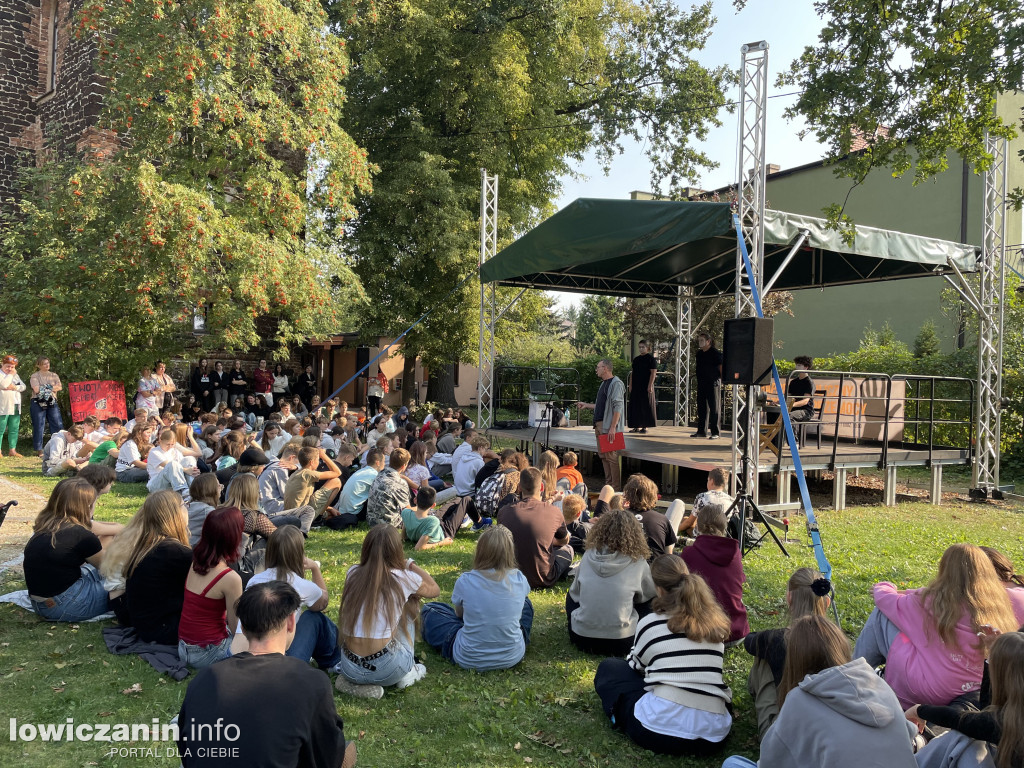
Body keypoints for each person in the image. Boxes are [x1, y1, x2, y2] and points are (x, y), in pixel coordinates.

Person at [177, 581, 355, 768]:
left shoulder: (204, 679)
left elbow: (185, 747)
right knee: (347, 752)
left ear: (243, 628)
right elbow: (328, 757)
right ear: (291, 622)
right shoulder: (313, 683)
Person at [723, 616, 918, 768]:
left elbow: (771, 761)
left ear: (795, 661)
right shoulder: (878, 684)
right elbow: (908, 736)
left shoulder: (799, 699)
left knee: (732, 763)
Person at [853, 542, 1020, 709]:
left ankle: (854, 674)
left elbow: (885, 599)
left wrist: (885, 585)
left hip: (930, 690)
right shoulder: (1000, 604)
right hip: (979, 688)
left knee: (882, 614)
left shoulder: (929, 601)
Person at [594, 555, 732, 756]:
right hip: (713, 736)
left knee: (610, 669)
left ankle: (621, 714)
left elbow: (635, 667)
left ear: (658, 589)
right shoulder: (714, 627)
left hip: (658, 731)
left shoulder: (651, 622)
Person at [335, 525, 441, 697]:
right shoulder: (404, 578)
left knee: (400, 602)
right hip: (387, 667)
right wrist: (410, 564)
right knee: (410, 603)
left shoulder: (352, 573)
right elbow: (434, 589)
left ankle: (353, 683)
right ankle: (409, 672)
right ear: (396, 550)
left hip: (349, 666)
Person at [421, 525, 533, 671]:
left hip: (468, 657)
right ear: (510, 552)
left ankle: (478, 631)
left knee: (431, 609)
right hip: (512, 656)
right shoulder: (519, 578)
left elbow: (459, 615)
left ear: (480, 551)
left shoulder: (466, 580)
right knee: (527, 604)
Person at [229, 526, 341, 671]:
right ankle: (334, 661)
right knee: (314, 617)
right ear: (299, 554)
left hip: (238, 655)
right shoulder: (302, 585)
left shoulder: (254, 580)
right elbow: (322, 603)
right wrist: (315, 568)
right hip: (278, 662)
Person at [908, 631, 1024, 768]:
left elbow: (958, 719)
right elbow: (986, 711)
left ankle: (908, 759)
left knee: (962, 739)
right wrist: (992, 655)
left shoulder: (1000, 722)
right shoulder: (1009, 718)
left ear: (1001, 677)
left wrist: (918, 710)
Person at [743, 567, 832, 736]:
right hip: (827, 726)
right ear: (826, 602)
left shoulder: (775, 640)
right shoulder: (836, 642)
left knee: (763, 657)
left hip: (783, 733)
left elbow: (750, 641)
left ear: (789, 598)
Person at [23, 478, 121, 621]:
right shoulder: (80, 534)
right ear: (88, 506)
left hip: (41, 603)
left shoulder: (45, 526)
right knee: (127, 580)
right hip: (66, 604)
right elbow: (108, 568)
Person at [101, 490, 192, 645]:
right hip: (161, 628)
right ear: (174, 513)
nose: (187, 509)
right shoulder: (173, 551)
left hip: (143, 621)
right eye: (184, 505)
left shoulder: (148, 544)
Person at [566, 508, 655, 656]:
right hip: (624, 640)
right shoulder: (637, 562)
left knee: (572, 593)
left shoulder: (588, 556)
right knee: (651, 600)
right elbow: (648, 595)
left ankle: (586, 621)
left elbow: (575, 595)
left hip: (581, 638)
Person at [178, 506, 245, 668]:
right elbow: (236, 627)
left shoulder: (196, 561)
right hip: (208, 651)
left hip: (184, 647)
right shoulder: (230, 578)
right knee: (260, 642)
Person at [680, 502, 749, 645]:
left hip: (703, 633)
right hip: (736, 632)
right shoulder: (735, 553)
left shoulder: (688, 554)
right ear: (724, 526)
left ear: (698, 526)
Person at [497, 467, 573, 589]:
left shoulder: (504, 512)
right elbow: (564, 540)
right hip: (543, 578)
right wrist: (550, 541)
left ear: (519, 487)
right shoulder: (554, 512)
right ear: (541, 487)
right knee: (568, 549)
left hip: (510, 577)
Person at [577, 358, 625, 490]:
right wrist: (586, 405)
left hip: (608, 426)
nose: (596, 370)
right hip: (599, 425)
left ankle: (615, 488)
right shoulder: (603, 384)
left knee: (611, 457)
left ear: (605, 368)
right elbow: (601, 406)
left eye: (598, 367)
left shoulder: (616, 384)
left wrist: (613, 427)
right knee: (603, 456)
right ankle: (608, 485)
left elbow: (618, 407)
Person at [623, 473, 678, 557]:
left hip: (625, 567)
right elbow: (668, 554)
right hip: (654, 567)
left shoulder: (617, 517)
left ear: (627, 495)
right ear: (654, 496)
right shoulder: (661, 519)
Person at [284, 446, 342, 522]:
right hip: (300, 516)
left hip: (293, 514)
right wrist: (324, 456)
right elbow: (337, 472)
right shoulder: (308, 473)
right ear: (312, 462)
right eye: (318, 460)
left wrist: (329, 508)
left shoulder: (297, 473)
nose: (319, 462)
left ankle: (321, 514)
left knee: (331, 514)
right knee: (336, 481)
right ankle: (318, 518)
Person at [679, 466, 734, 538]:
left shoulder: (702, 497)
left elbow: (690, 522)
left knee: (686, 520)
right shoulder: (731, 500)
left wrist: (676, 529)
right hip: (722, 535)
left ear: (712, 481)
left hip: (703, 535)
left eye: (708, 480)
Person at [366, 447, 412, 528]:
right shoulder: (400, 483)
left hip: (372, 521)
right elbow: (408, 511)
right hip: (389, 524)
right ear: (404, 466)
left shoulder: (380, 474)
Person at [29, 356, 63, 457]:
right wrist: (51, 388)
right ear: (39, 365)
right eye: (44, 363)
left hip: (52, 401)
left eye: (48, 363)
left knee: (57, 424)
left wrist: (44, 387)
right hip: (37, 402)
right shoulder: (34, 376)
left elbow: (60, 387)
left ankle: (58, 447)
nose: (47, 365)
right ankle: (39, 450)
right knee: (39, 425)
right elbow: (36, 389)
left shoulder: (54, 375)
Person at [147, 428, 198, 496]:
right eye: (167, 444)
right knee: (172, 463)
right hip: (157, 484)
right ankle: (182, 490)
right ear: (160, 441)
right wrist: (186, 470)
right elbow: (168, 465)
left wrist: (193, 470)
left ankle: (192, 488)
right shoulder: (154, 452)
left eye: (172, 444)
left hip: (173, 482)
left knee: (189, 459)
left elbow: (184, 464)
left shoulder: (175, 451)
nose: (170, 447)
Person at [692, 331, 722, 439]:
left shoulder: (715, 353)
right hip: (701, 383)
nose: (700, 342)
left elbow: (720, 367)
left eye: (702, 340)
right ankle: (701, 431)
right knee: (701, 408)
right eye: (699, 340)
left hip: (713, 383)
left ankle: (715, 432)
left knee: (714, 408)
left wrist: (721, 380)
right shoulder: (699, 354)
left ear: (708, 341)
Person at [628, 340, 658, 434]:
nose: (641, 349)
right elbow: (633, 373)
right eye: (640, 347)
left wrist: (650, 385)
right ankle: (635, 426)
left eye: (643, 347)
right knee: (635, 406)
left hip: (645, 385)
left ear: (648, 348)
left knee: (645, 406)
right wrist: (631, 385)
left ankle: (645, 426)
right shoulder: (636, 359)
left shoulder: (651, 359)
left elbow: (653, 373)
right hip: (636, 385)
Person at [0, 354, 27, 458]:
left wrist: (15, 387)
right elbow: (3, 385)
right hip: (3, 406)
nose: (10, 369)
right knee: (1, 429)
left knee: (14, 428)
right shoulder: (2, 374)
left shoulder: (15, 375)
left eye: (12, 367)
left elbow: (23, 386)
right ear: (2, 364)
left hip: (15, 404)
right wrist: (11, 375)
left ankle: (12, 450)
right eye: (8, 366)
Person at [185, 473, 221, 546]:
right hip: (197, 551)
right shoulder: (209, 513)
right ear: (211, 490)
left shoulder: (186, 506)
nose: (220, 487)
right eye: (218, 485)